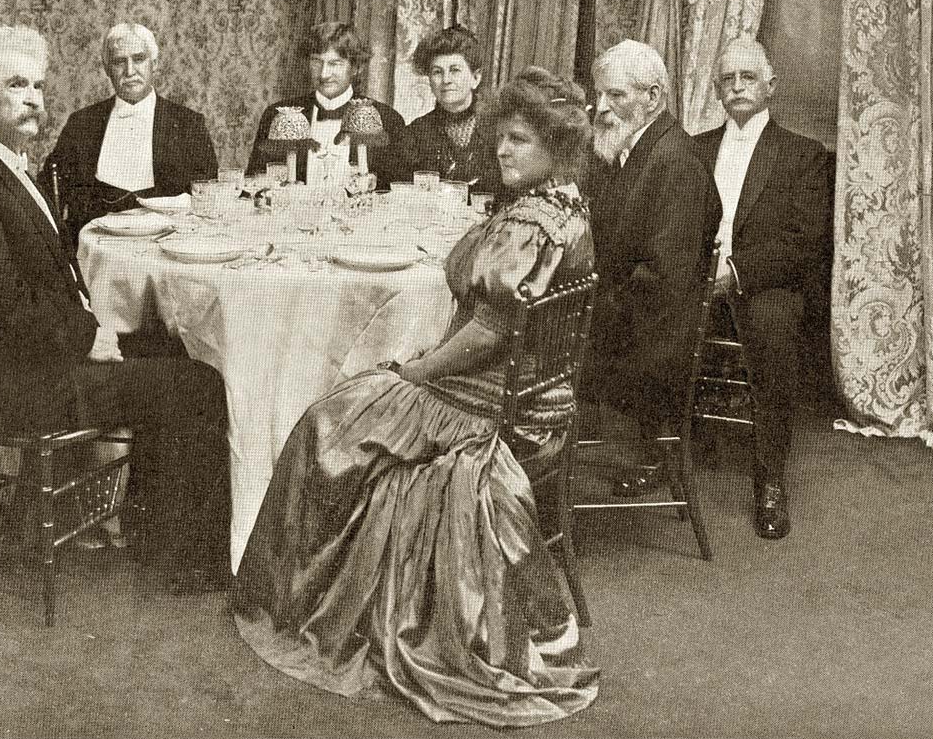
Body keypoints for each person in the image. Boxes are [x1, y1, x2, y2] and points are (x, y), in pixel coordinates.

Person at [234, 67, 599, 728]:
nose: (503, 149)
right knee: (344, 411)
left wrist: (414, 372)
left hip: (484, 403)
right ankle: (303, 587)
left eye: (519, 140)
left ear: (556, 146)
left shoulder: (530, 222)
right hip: (522, 393)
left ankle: (297, 599)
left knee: (327, 423)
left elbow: (487, 333)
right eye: (501, 137)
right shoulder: (563, 208)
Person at [0, 25, 231, 593]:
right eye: (16, 86)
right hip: (12, 382)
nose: (34, 99)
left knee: (177, 350)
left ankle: (154, 532)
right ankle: (186, 560)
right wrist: (87, 337)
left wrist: (88, 330)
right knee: (198, 384)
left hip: (31, 360)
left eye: (38, 86)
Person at [694, 38, 831, 539]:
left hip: (764, 282)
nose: (737, 87)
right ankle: (657, 452)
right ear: (716, 91)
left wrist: (733, 273)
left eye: (747, 77)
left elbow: (803, 241)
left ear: (770, 86)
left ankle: (770, 476)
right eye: (727, 80)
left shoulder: (804, 155)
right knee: (649, 312)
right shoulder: (695, 149)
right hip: (699, 277)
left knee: (774, 330)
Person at [580, 40, 720, 493]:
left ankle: (536, 460)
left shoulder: (675, 163)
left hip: (652, 336)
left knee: (522, 336)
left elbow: (663, 282)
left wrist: (587, 310)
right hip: (632, 317)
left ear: (653, 97)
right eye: (600, 95)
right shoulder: (636, 150)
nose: (602, 107)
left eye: (616, 95)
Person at [44, 22, 217, 242]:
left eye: (139, 59)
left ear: (154, 63)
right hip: (95, 245)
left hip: (167, 244)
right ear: (107, 69)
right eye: (119, 62)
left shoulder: (188, 123)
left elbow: (209, 195)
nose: (130, 71)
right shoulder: (82, 123)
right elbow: (51, 189)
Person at [245, 21, 405, 189]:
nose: (324, 74)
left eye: (335, 64)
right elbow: (255, 186)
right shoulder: (278, 115)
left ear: (356, 68)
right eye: (316, 62)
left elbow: (396, 192)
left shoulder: (388, 120)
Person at [399, 25, 502, 193]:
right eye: (437, 72)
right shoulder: (415, 134)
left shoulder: (499, 129)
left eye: (455, 70)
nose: (446, 80)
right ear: (429, 80)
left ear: (475, 78)